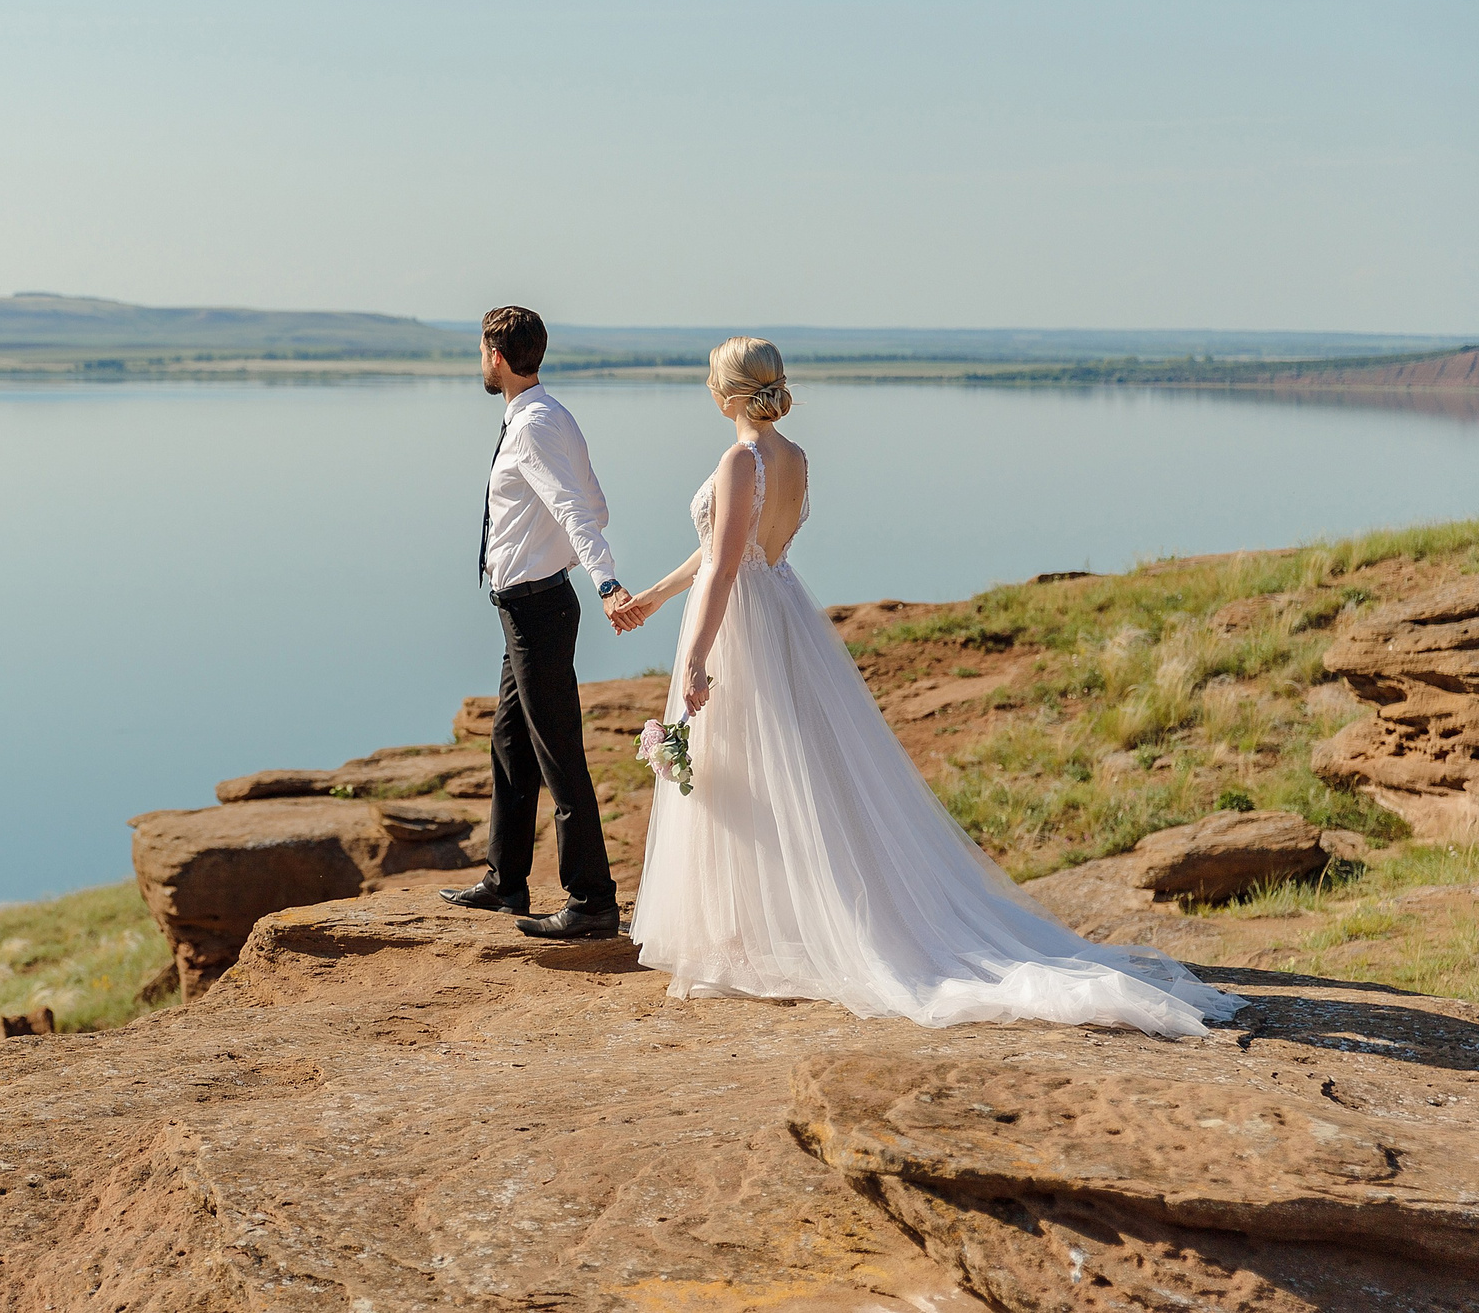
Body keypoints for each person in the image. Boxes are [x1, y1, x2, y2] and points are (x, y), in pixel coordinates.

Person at [613, 337, 1243, 1034]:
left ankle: (747, 938)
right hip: (781, 613)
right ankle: (757, 930)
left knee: (748, 772)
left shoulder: (741, 458)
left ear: (726, 392)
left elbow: (728, 567)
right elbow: (723, 552)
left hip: (742, 627)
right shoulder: (790, 457)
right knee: (782, 774)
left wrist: (697, 655)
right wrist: (654, 596)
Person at [438, 305, 637, 940]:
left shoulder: (532, 428)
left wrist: (605, 579)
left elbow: (579, 514)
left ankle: (592, 901)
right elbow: (595, 504)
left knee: (558, 755)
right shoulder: (550, 416)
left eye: (481, 352)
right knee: (509, 742)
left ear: (496, 356)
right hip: (528, 608)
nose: (480, 362)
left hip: (539, 611)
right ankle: (505, 880)